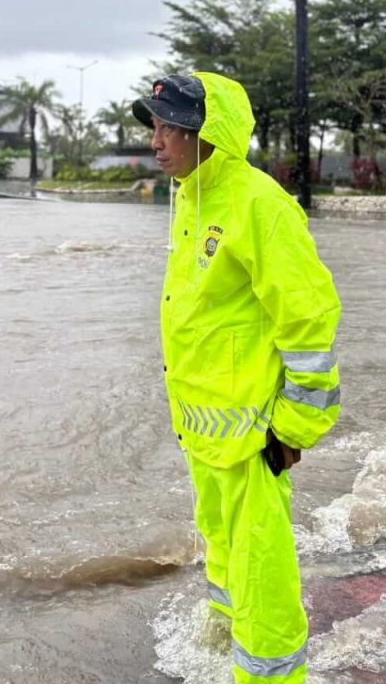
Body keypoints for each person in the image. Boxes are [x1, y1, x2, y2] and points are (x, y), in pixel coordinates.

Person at [132, 73, 341, 684]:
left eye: (171, 127)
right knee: (222, 551)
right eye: (155, 126)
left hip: (254, 435)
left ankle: (270, 676)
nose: (157, 141)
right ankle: (222, 644)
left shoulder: (260, 206)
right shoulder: (192, 199)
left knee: (262, 571)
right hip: (203, 429)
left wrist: (295, 427)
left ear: (209, 134)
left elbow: (308, 324)